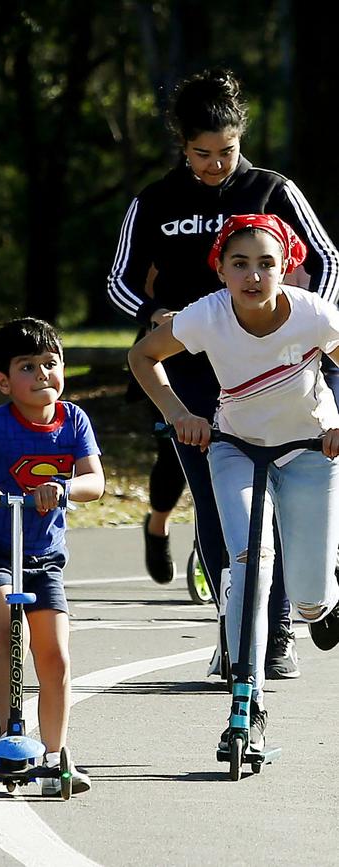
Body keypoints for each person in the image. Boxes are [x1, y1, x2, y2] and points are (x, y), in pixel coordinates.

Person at [107, 67, 339, 679]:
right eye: (201, 154)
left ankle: (281, 628)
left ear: (242, 141)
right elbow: (119, 278)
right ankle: (236, 631)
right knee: (217, 505)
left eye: (227, 151)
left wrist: (314, 329)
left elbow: (328, 260)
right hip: (193, 369)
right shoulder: (155, 201)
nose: (215, 165)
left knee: (288, 496)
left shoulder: (272, 190)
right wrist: (149, 310)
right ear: (181, 147)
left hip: (279, 364)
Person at [128, 213, 339, 749]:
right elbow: (144, 355)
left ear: (287, 267)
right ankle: (247, 703)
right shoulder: (209, 315)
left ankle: (325, 599)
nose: (253, 276)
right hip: (235, 448)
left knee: (310, 599)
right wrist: (180, 415)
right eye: (239, 264)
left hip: (310, 451)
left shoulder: (313, 315)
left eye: (267, 264)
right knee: (249, 561)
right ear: (219, 270)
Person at [0, 317, 105, 795]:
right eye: (28, 367)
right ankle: (12, 736)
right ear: (5, 381)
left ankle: (54, 756)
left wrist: (64, 488)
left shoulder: (75, 422)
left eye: (51, 363)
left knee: (55, 655)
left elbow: (96, 481)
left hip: (44, 556)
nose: (43, 374)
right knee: (12, 632)